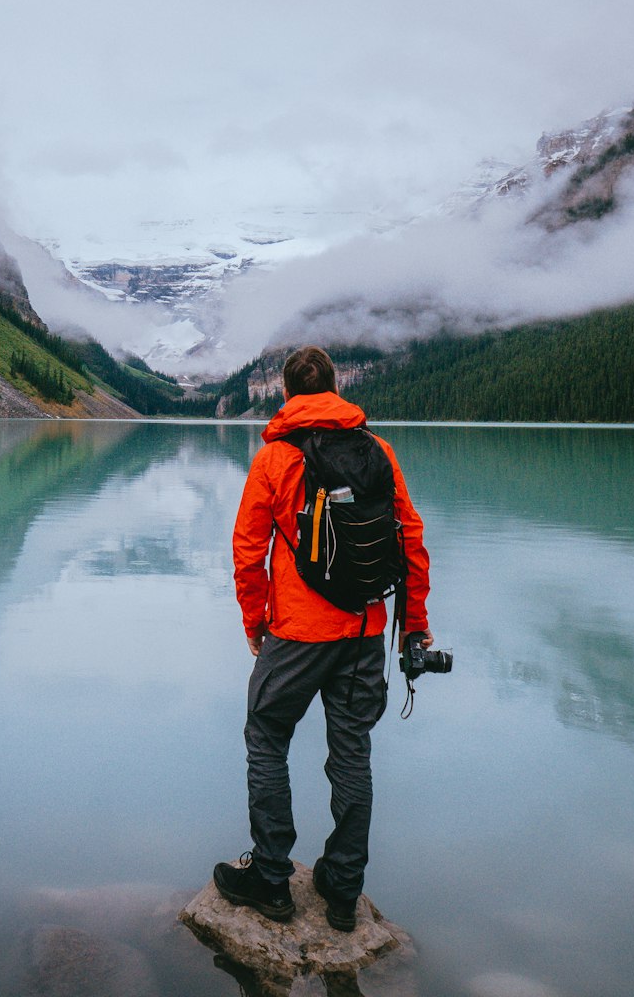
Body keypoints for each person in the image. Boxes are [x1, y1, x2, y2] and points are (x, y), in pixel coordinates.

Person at [213, 345, 432, 931]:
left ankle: (271, 880)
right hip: (364, 630)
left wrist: (253, 622)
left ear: (285, 393)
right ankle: (341, 892)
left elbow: (247, 551)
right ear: (335, 388)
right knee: (352, 753)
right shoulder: (377, 450)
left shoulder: (274, 459)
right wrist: (415, 627)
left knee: (266, 734)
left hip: (297, 634)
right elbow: (410, 536)